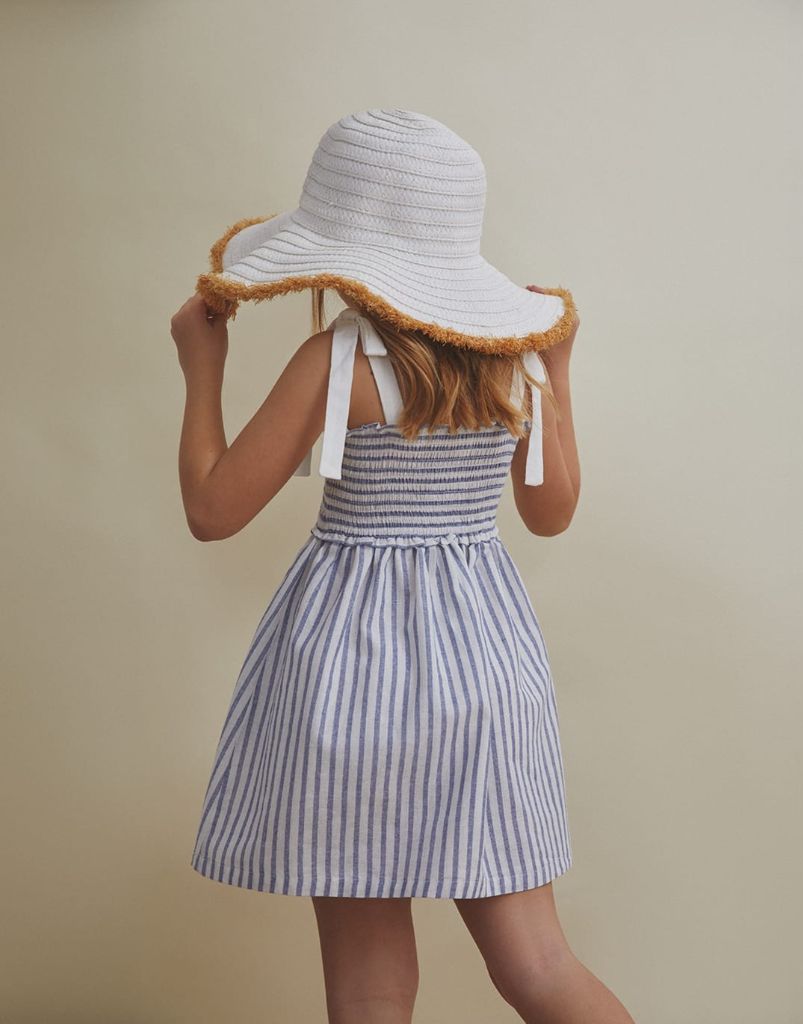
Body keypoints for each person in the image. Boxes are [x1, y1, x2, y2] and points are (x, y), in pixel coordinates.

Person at [171, 109, 636, 1024]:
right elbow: (551, 516)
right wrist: (560, 372)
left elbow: (212, 511)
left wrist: (202, 364)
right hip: (486, 667)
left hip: (350, 671)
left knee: (371, 987)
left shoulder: (334, 362)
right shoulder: (516, 369)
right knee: (538, 963)